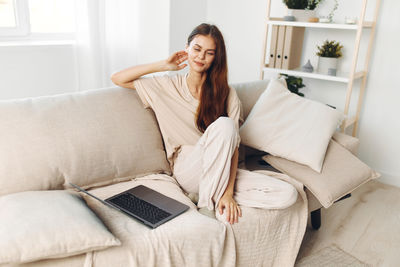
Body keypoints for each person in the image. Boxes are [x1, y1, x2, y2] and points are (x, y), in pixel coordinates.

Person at [111, 23, 297, 225]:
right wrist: (165, 65)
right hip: (189, 167)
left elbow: (233, 148)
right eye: (197, 49)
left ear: (216, 58)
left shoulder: (227, 94)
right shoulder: (166, 86)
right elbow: (118, 78)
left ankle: (207, 195)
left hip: (220, 170)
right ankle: (207, 206)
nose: (200, 57)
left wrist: (227, 193)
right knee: (225, 125)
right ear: (187, 49)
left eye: (209, 53)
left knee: (288, 194)